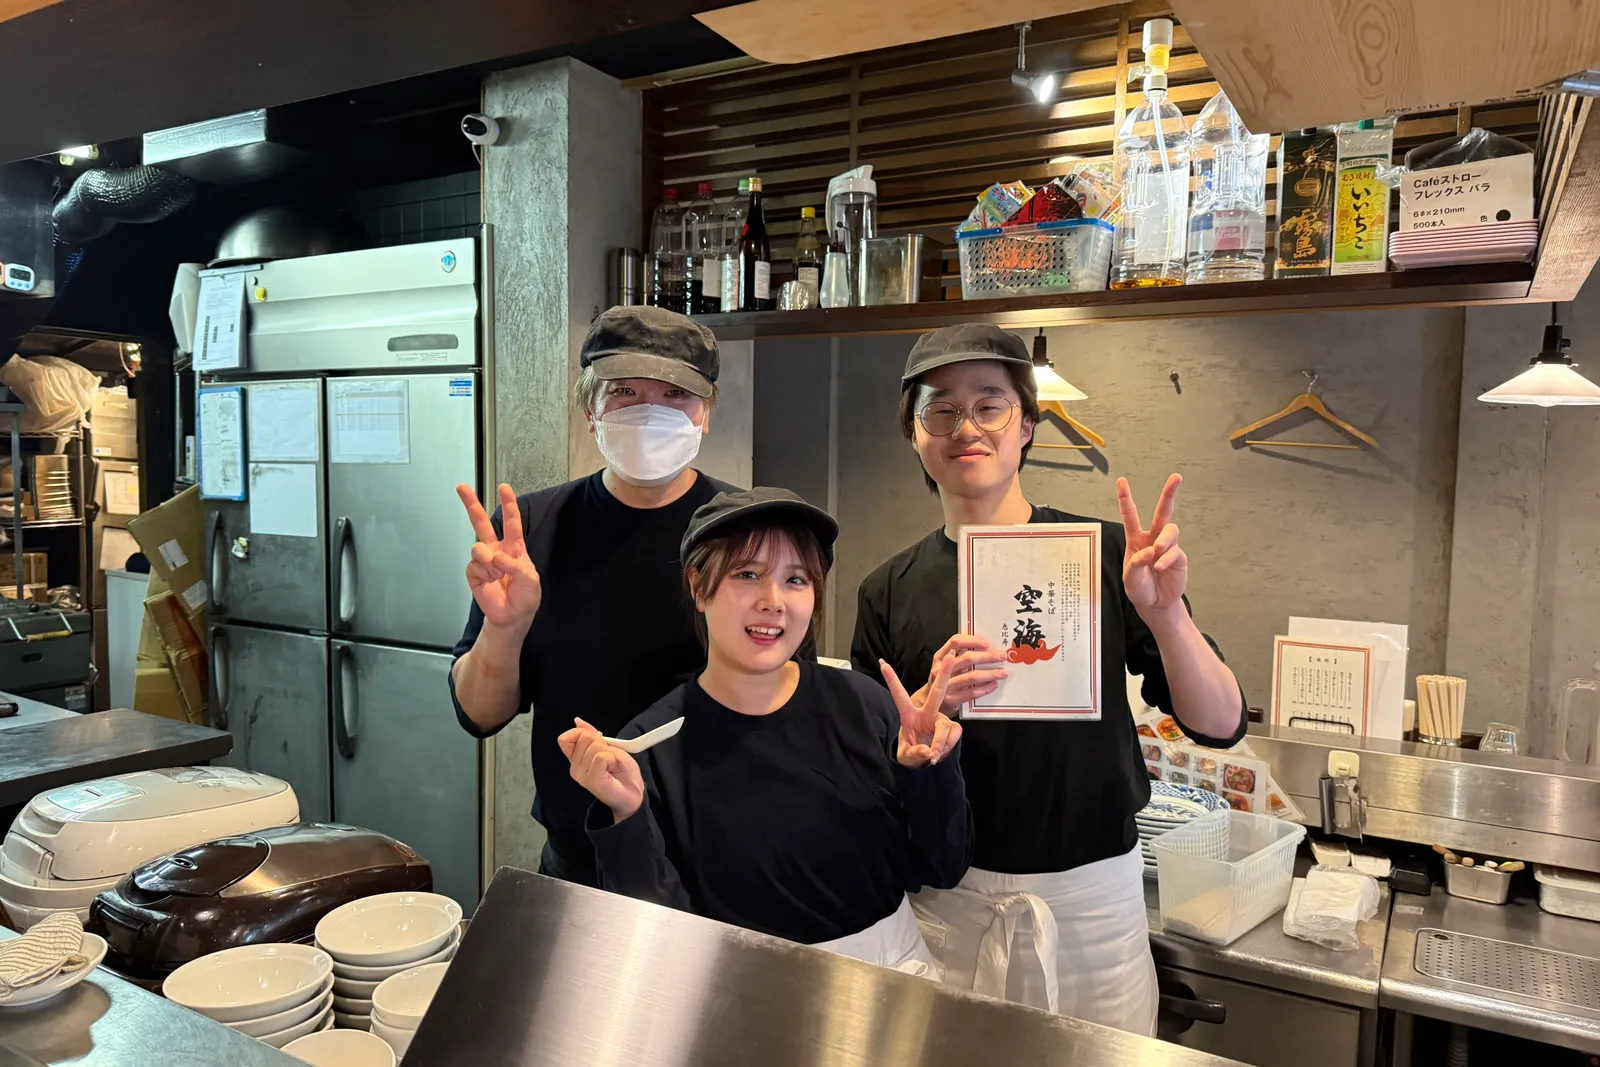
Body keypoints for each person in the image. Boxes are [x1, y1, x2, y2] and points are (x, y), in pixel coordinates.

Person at [851, 324, 1247, 1031]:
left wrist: (1167, 620)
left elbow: (1220, 722)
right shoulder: (887, 589)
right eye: (939, 409)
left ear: (1027, 423)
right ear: (914, 433)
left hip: (1095, 906)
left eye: (989, 404)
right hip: (951, 909)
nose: (964, 426)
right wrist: (913, 734)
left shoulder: (1107, 554)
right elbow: (877, 786)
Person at [559, 487, 972, 972]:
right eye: (747, 574)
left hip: (889, 975)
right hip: (743, 989)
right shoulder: (651, 746)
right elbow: (654, 934)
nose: (773, 601)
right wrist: (626, 813)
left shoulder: (866, 706)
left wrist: (928, 771)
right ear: (698, 585)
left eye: (796, 580)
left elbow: (941, 867)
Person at [449, 305, 740, 887]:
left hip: (716, 854)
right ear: (590, 408)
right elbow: (480, 715)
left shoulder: (744, 532)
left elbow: (787, 698)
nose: (649, 412)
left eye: (674, 396)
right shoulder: (533, 529)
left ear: (705, 413)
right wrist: (504, 629)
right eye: (625, 391)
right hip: (578, 856)